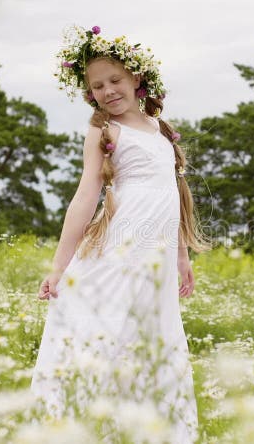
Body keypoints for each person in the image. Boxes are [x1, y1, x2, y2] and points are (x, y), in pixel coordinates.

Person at [30, 24, 211, 443]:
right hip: (121, 248)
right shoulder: (103, 130)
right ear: (89, 93)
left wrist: (183, 257)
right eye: (97, 86)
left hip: (159, 256)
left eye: (115, 80)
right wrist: (58, 267)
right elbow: (84, 196)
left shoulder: (160, 129)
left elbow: (175, 196)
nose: (108, 90)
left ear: (136, 79)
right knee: (109, 329)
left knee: (150, 334)